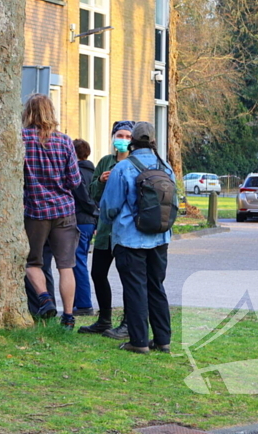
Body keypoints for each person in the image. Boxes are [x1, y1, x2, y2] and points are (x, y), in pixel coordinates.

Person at [99, 121, 173, 354]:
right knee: (156, 287)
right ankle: (163, 340)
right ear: (153, 141)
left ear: (132, 140)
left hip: (130, 238)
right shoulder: (166, 167)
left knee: (135, 289)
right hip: (160, 238)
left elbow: (109, 207)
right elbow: (174, 204)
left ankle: (139, 342)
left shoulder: (123, 168)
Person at [21, 94, 82, 329]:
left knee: (31, 261)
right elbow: (74, 180)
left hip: (35, 211)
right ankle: (68, 316)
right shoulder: (65, 141)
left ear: (28, 112)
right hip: (65, 211)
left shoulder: (21, 139)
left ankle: (44, 298)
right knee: (66, 266)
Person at [79, 120, 134, 339]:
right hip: (104, 230)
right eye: (119, 136)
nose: (123, 140)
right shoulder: (105, 162)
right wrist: (102, 181)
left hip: (126, 231)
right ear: (112, 138)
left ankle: (128, 323)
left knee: (128, 276)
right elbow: (92, 194)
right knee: (98, 273)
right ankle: (104, 319)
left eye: (128, 137)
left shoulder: (134, 163)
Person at [70, 139, 99, 316]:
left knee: (77, 261)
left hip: (80, 219)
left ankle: (83, 303)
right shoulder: (94, 173)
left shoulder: (77, 173)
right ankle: (78, 300)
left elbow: (83, 198)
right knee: (80, 260)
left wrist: (92, 211)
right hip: (90, 223)